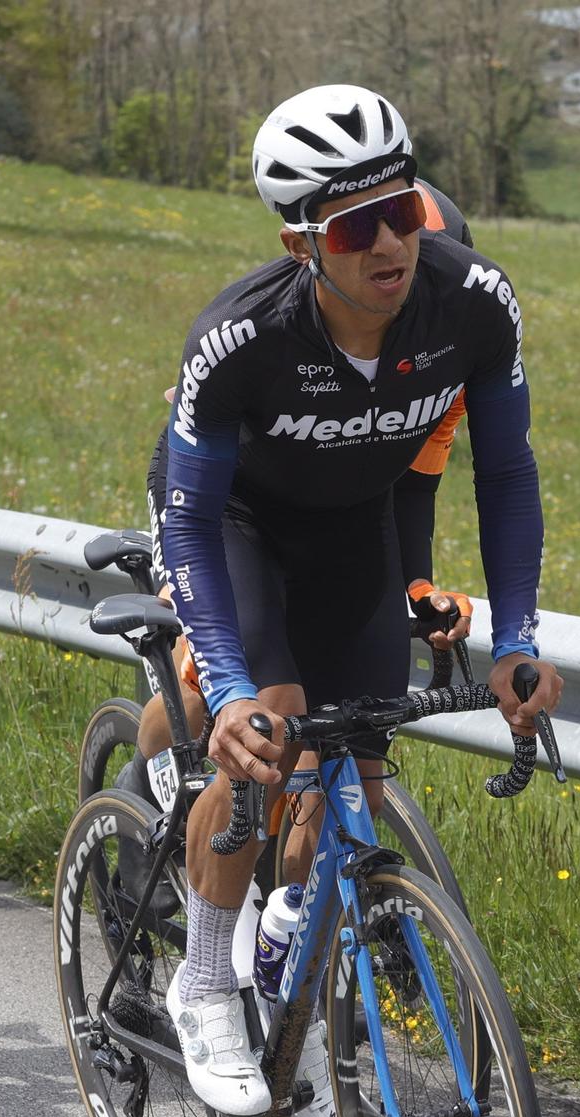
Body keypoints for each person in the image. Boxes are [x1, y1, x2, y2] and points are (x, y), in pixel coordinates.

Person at [156, 84, 561, 1117]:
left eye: (405, 211)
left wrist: (515, 637)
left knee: (359, 780)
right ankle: (201, 980)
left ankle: (290, 951)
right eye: (353, 225)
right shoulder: (238, 339)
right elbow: (190, 517)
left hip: (350, 531)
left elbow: (504, 470)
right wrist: (233, 686)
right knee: (270, 734)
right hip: (235, 526)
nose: (389, 242)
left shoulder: (471, 300)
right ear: (302, 244)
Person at [133, 175, 479, 766]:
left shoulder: (446, 367)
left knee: (339, 744)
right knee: (238, 688)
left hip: (332, 517)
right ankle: (143, 785)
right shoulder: (282, 332)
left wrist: (418, 585)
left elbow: (415, 488)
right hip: (226, 504)